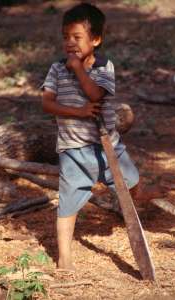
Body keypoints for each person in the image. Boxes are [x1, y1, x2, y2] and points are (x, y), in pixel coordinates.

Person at [42, 2, 139, 271]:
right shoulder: (57, 68)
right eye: (65, 37)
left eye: (77, 37)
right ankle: (65, 258)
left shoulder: (105, 66)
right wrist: (79, 111)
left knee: (131, 182)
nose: (70, 43)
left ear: (95, 39)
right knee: (68, 201)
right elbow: (47, 104)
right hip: (73, 148)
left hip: (109, 145)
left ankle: (138, 196)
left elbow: (96, 95)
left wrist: (79, 70)